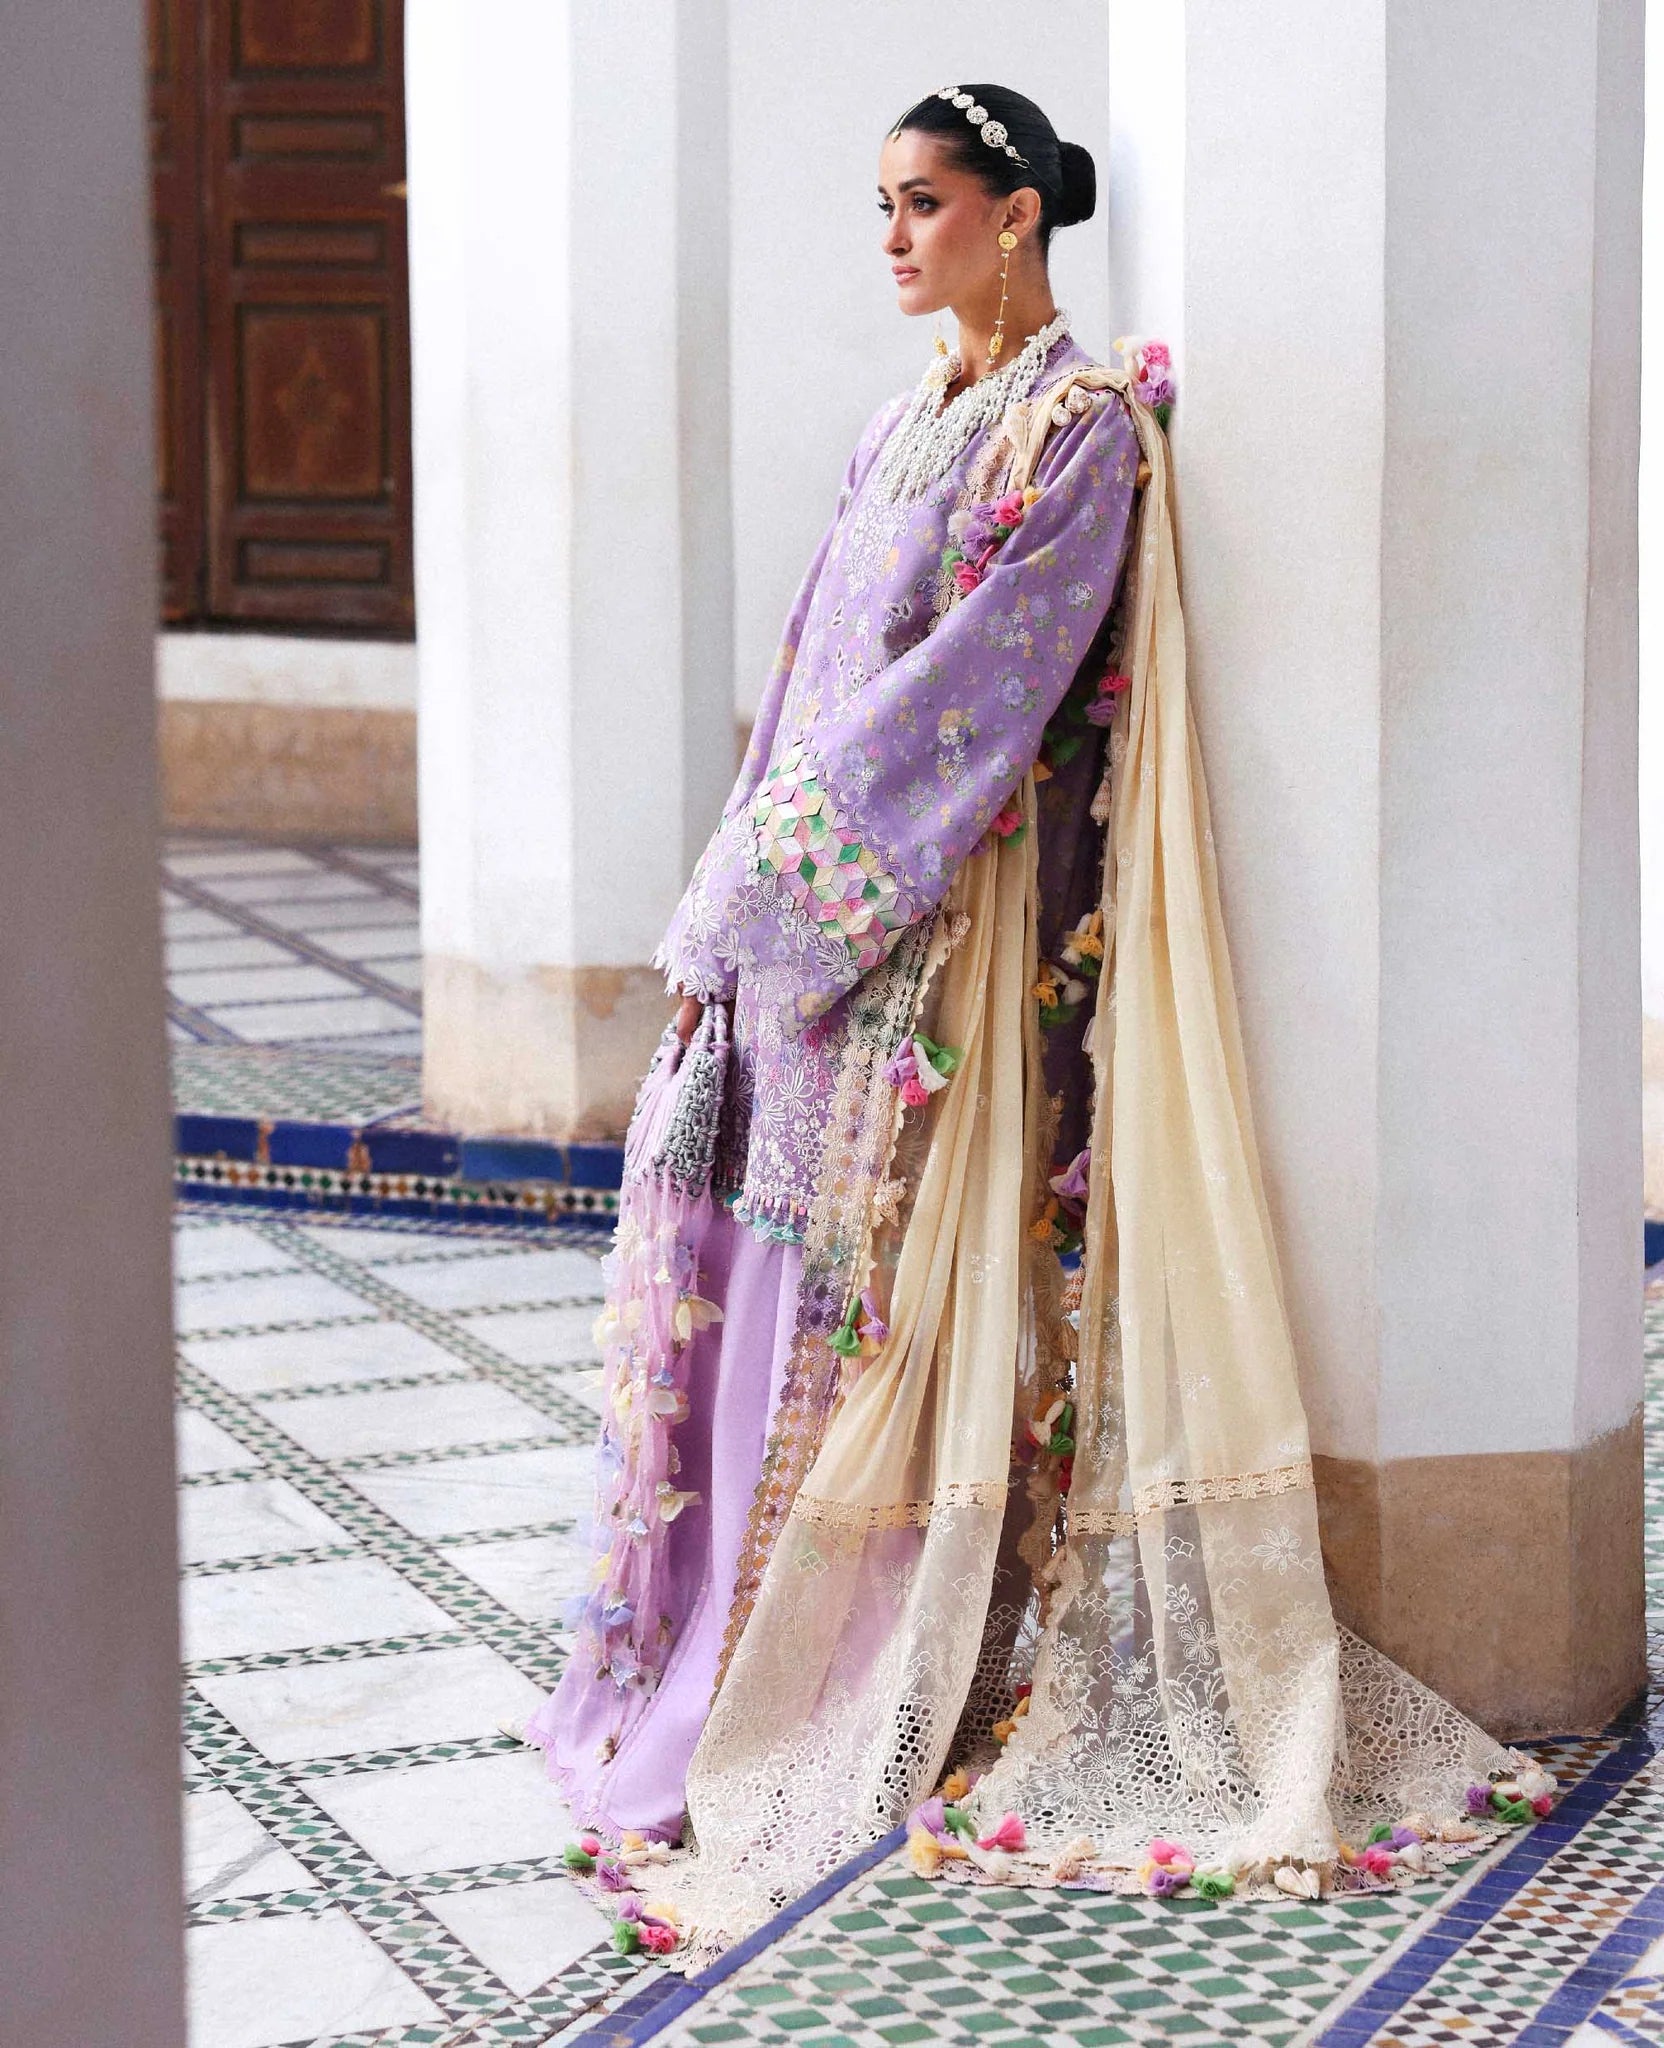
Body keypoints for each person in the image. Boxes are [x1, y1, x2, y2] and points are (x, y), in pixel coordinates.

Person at [525, 83, 1546, 1951]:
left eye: (922, 203)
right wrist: (732, 890)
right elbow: (810, 676)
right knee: (758, 1280)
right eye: (882, 205)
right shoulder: (901, 419)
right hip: (797, 938)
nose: (893, 237)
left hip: (931, 948)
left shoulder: (1080, 435)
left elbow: (972, 696)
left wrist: (777, 884)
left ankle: (845, 1676)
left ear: (1017, 215)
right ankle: (716, 1656)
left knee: (877, 1306)